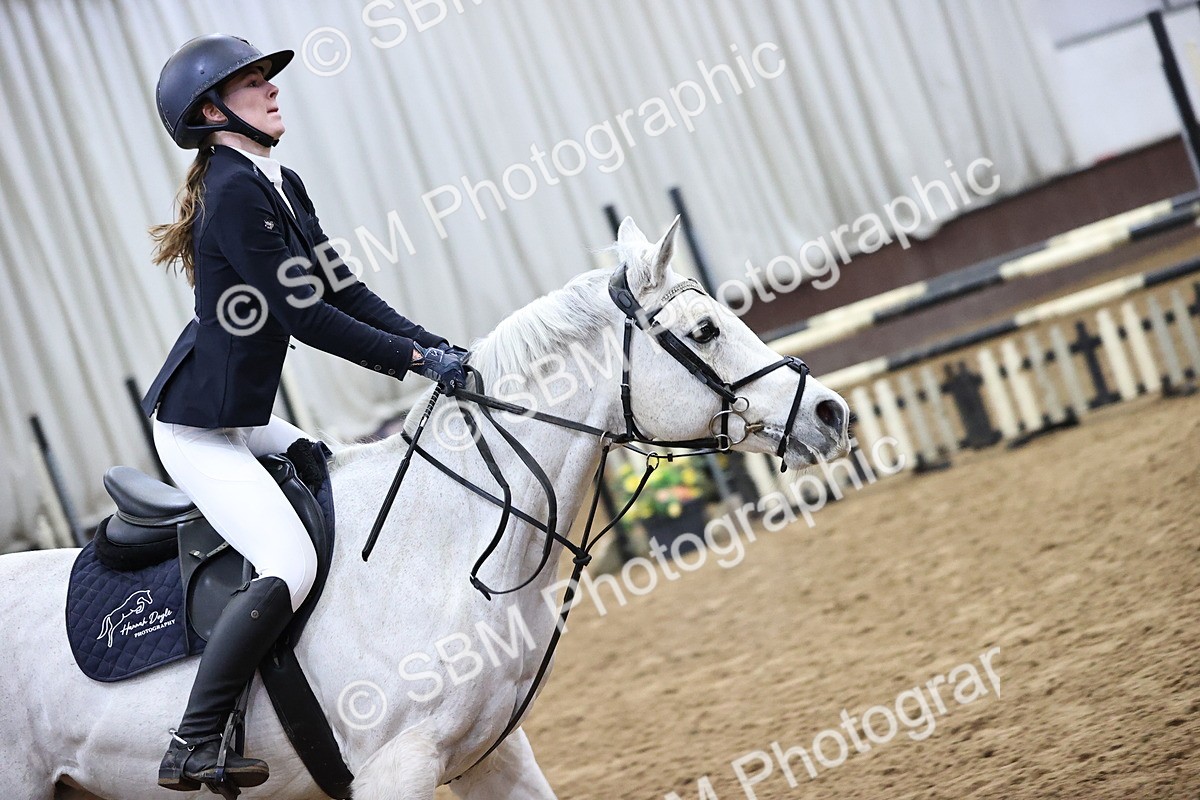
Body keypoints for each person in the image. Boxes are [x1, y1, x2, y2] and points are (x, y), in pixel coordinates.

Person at [142, 33, 465, 791]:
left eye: (265, 78)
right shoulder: (229, 192)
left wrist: (439, 343)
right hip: (198, 428)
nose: (273, 88)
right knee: (291, 561)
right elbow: (304, 316)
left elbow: (344, 291)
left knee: (332, 475)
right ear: (211, 111)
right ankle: (191, 740)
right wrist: (416, 364)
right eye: (252, 82)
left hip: (243, 416)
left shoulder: (278, 180)